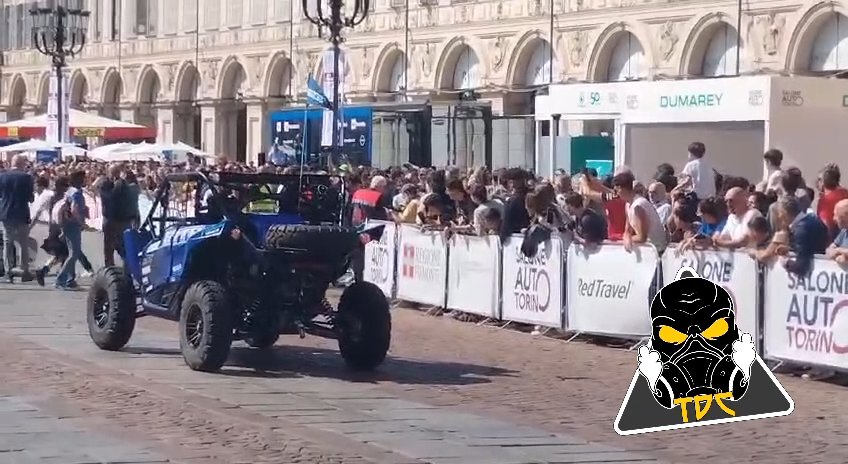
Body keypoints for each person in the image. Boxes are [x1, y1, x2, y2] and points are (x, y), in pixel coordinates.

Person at [612, 171, 667, 253]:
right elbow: (628, 229)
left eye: (616, 191)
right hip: (649, 250)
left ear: (621, 188)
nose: (616, 194)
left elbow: (642, 237)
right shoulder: (628, 204)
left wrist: (628, 239)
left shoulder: (638, 206)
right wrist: (626, 236)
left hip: (657, 251)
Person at [0, 154, 35, 282]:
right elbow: (31, 198)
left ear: (11, 163)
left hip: (6, 213)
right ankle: (24, 270)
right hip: (22, 212)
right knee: (23, 243)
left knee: (7, 242)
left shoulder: (2, 176)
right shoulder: (27, 178)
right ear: (21, 164)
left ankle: (8, 272)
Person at [775, 196, 828, 276]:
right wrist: (791, 249)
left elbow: (802, 267)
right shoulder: (814, 219)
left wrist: (785, 262)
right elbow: (810, 246)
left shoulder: (801, 230)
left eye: (779, 213)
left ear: (785, 213)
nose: (778, 216)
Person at [54, 170, 89, 290]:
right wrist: (81, 222)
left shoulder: (69, 191)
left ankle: (70, 279)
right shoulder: (77, 193)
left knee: (72, 252)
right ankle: (61, 279)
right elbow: (74, 209)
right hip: (73, 224)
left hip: (67, 223)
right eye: (84, 178)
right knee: (74, 253)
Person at [99, 164, 136, 267]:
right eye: (113, 173)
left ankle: (128, 265)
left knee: (123, 244)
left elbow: (128, 199)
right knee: (109, 246)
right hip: (110, 219)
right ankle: (109, 266)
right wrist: (116, 185)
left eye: (117, 172)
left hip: (123, 219)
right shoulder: (105, 184)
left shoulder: (123, 184)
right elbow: (110, 197)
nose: (115, 175)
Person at [816, 164, 848, 240]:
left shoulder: (825, 200)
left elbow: (827, 225)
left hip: (835, 238)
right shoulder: (845, 192)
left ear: (823, 182)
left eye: (819, 179)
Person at [825, 199, 848, 265]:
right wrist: (832, 253)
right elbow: (831, 248)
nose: (834, 218)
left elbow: (836, 249)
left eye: (836, 215)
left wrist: (839, 250)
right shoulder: (844, 231)